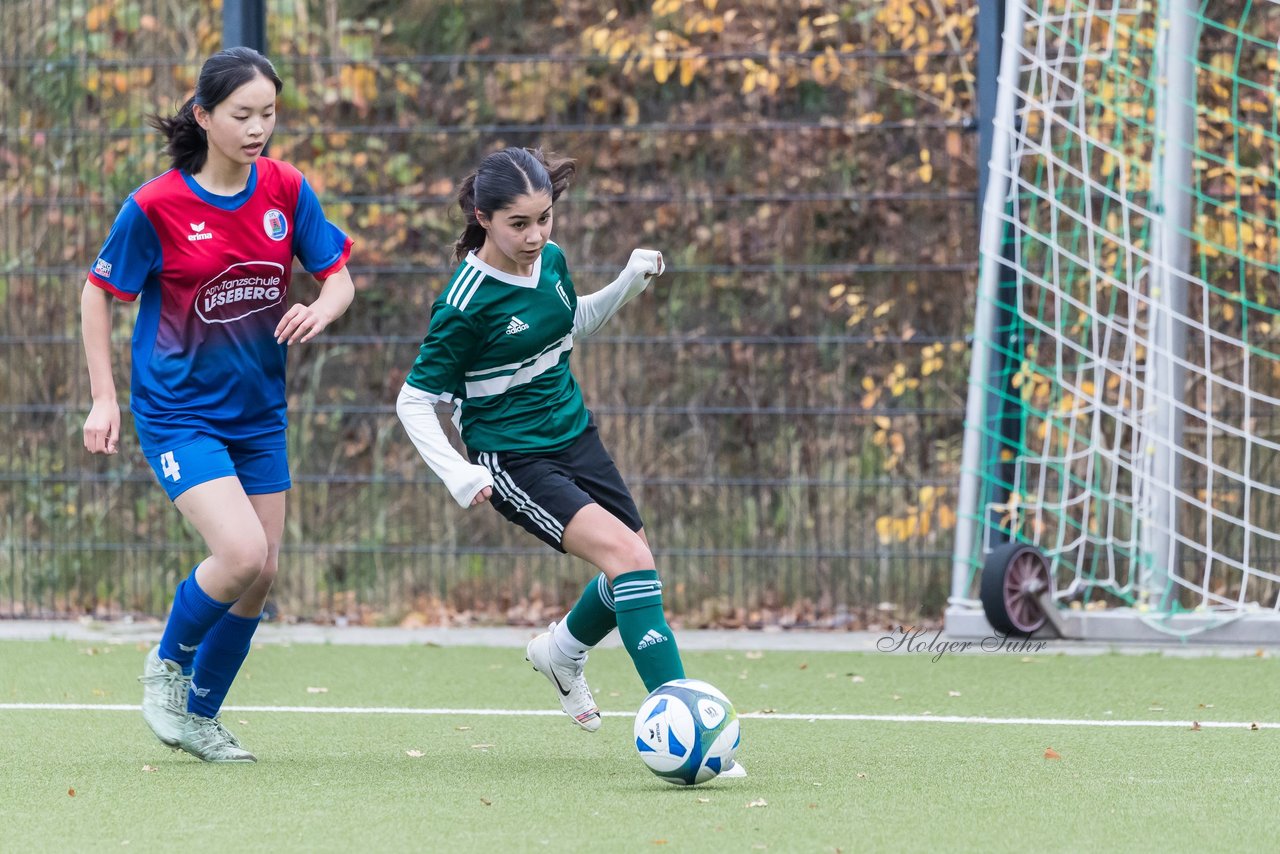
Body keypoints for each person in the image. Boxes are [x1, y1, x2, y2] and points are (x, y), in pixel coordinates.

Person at [396, 147, 743, 777]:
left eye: (544, 219)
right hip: (513, 459)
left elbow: (566, 324)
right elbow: (415, 401)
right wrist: (461, 473)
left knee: (631, 568)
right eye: (518, 224)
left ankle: (561, 650)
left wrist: (626, 283)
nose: (535, 237)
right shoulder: (464, 303)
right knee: (630, 560)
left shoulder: (550, 260)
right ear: (484, 218)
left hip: (574, 434)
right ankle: (687, 726)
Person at [80, 47, 355, 763]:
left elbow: (339, 278)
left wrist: (323, 307)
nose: (258, 127)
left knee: (262, 573)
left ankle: (201, 717)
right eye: (242, 114)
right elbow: (97, 294)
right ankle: (166, 666)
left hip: (260, 413)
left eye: (268, 113)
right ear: (204, 117)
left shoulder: (287, 190)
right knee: (239, 553)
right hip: (179, 412)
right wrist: (103, 400)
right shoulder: (156, 205)